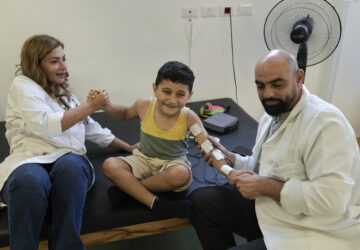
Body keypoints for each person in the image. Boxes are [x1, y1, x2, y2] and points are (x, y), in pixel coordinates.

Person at [189, 49, 360, 250]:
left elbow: (331, 200)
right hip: (277, 212)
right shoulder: (273, 115)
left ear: (298, 78)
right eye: (260, 86)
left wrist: (264, 186)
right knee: (202, 201)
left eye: (277, 85)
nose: (268, 94)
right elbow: (268, 167)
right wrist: (232, 160)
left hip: (315, 232)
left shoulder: (326, 123)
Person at [0, 34, 137, 250]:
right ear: (36, 64)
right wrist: (91, 105)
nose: (63, 66)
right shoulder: (22, 86)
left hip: (68, 161)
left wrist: (127, 146)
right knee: (30, 180)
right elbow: (44, 124)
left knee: (71, 165)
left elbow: (92, 128)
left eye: (64, 59)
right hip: (29, 160)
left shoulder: (65, 94)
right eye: (55, 61)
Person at [96, 61, 205, 218]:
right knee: (109, 165)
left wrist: (227, 168)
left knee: (180, 175)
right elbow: (125, 114)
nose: (172, 100)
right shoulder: (144, 105)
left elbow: (206, 142)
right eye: (166, 92)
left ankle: (128, 191)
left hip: (172, 163)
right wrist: (107, 106)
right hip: (143, 159)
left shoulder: (189, 116)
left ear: (190, 95)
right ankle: (155, 202)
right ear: (155, 89)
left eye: (180, 95)